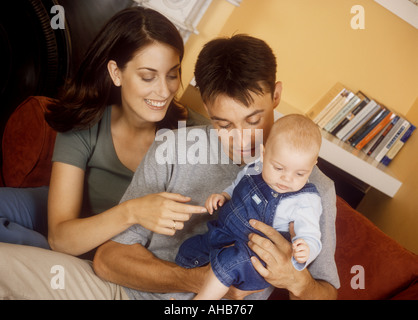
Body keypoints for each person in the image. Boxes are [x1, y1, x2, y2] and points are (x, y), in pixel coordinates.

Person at [0, 34, 339, 300]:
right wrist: (196, 279)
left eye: (254, 119)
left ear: (276, 95)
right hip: (120, 294)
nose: (242, 140)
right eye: (224, 125)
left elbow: (325, 293)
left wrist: (298, 281)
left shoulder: (313, 187)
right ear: (204, 104)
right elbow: (107, 260)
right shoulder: (174, 146)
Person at [0, 6, 207, 255]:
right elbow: (61, 237)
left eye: (172, 75)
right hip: (69, 220)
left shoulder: (197, 135)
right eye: (148, 77)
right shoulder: (87, 120)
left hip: (116, 249)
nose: (164, 91)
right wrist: (132, 210)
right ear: (116, 73)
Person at [176, 114, 323, 300]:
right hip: (224, 233)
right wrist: (223, 195)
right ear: (264, 153)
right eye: (278, 168)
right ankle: (184, 290)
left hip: (253, 256)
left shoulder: (306, 200)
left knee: (228, 263)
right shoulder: (255, 167)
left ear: (312, 166)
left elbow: (311, 234)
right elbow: (237, 183)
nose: (287, 179)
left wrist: (306, 248)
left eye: (300, 173)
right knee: (190, 250)